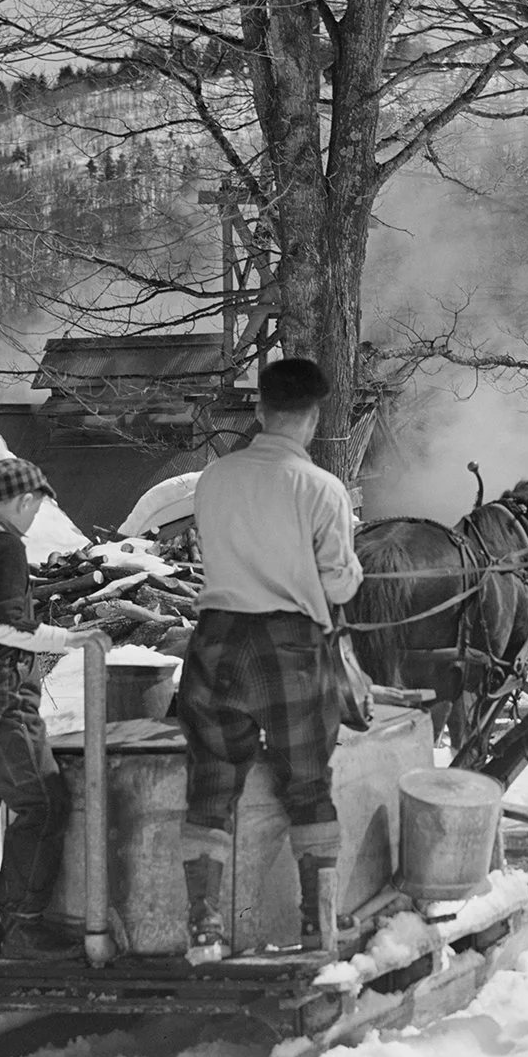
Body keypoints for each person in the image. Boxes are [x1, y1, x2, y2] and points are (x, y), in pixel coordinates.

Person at [172, 358, 363, 956]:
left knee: (210, 784)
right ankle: (317, 926)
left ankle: (203, 930)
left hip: (216, 640)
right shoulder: (323, 489)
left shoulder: (214, 479)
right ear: (311, 419)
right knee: (307, 784)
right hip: (289, 647)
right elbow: (337, 586)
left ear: (260, 411)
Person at [0, 456, 104, 960]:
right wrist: (74, 638)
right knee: (41, 802)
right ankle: (24, 928)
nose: (37, 514)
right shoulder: (6, 547)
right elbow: (5, 626)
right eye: (38, 503)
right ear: (24, 500)